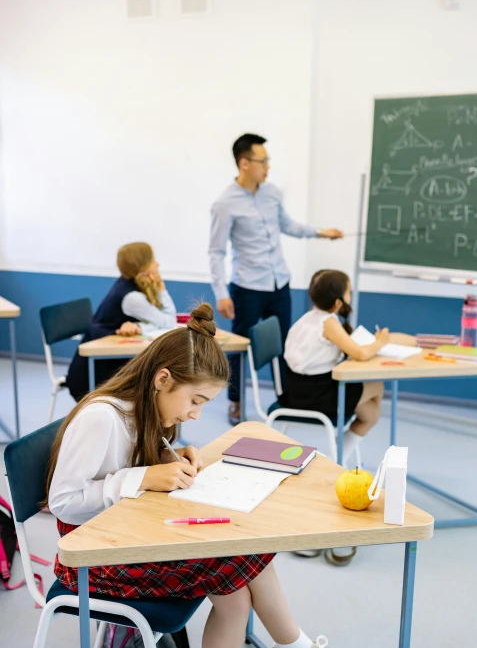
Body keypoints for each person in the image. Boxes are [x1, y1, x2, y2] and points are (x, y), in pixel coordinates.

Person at [47, 304, 363, 648]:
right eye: (195, 400)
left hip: (129, 532)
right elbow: (63, 503)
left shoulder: (146, 408)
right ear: (162, 379)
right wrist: (143, 475)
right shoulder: (103, 416)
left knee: (241, 566)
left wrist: (169, 456)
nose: (196, 413)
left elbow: (127, 466)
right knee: (237, 572)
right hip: (89, 557)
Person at [209, 133, 344, 426]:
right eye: (263, 161)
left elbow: (287, 225)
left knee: (285, 344)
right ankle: (235, 402)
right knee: (240, 349)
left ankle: (288, 398)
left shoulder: (271, 193)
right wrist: (221, 292)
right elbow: (216, 251)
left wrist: (320, 232)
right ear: (244, 163)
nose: (268, 167)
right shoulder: (225, 203)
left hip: (278, 283)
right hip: (247, 287)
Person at [282, 269, 416, 461]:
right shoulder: (328, 322)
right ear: (337, 302)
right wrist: (380, 342)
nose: (350, 296)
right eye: (349, 292)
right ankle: (339, 457)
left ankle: (339, 452)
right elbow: (360, 354)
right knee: (375, 394)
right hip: (313, 395)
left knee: (372, 413)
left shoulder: (310, 317)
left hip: (297, 388)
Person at [66, 242, 177, 401]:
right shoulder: (132, 297)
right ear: (142, 267)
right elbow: (168, 321)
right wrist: (161, 288)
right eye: (153, 260)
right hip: (93, 374)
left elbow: (161, 321)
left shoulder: (128, 284)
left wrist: (139, 327)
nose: (157, 264)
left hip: (108, 365)